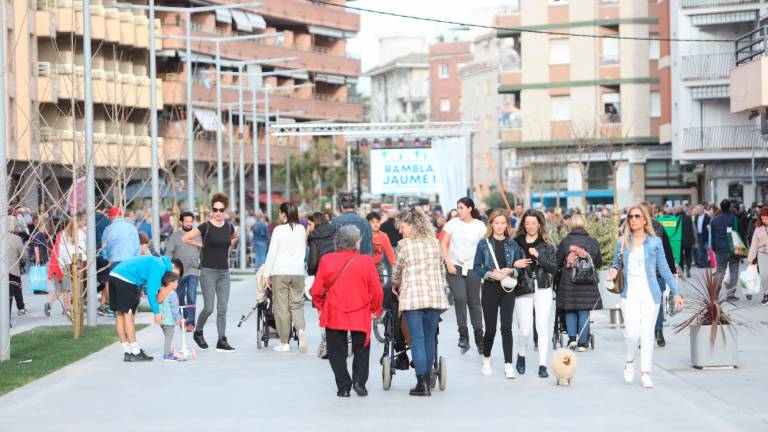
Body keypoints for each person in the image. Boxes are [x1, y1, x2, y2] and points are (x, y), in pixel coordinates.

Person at [608, 205, 684, 388]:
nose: (633, 219)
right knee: (632, 334)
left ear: (644, 220)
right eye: (630, 217)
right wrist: (612, 270)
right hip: (629, 293)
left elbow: (665, 269)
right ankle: (629, 361)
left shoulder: (655, 242)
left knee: (647, 333)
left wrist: (676, 292)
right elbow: (615, 263)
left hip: (650, 293)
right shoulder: (623, 242)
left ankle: (645, 372)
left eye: (637, 216)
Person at [311, 225, 383, 397]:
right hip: (359, 311)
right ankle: (359, 382)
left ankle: (343, 386)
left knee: (336, 351)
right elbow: (377, 291)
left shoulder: (327, 260)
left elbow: (316, 290)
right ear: (355, 242)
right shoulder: (366, 261)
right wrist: (375, 309)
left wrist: (321, 306)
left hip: (334, 311)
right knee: (361, 348)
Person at [392, 207, 450, 397]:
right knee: (429, 338)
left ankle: (422, 383)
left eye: (403, 226)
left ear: (412, 225)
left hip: (413, 297)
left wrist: (395, 283)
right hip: (434, 297)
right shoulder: (435, 243)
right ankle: (429, 378)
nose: (401, 230)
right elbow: (442, 270)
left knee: (416, 339)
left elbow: (397, 270)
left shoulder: (404, 245)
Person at [472, 210, 524, 379]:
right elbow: (477, 267)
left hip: (508, 289)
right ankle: (486, 360)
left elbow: (520, 269)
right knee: (491, 329)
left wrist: (512, 271)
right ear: (491, 224)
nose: (500, 226)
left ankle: (508, 365)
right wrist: (490, 274)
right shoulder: (483, 244)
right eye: (497, 222)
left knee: (506, 327)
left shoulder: (513, 245)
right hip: (490, 288)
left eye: (503, 223)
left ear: (507, 225)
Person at [183, 193, 238, 353]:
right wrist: (201, 245)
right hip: (208, 272)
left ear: (225, 210)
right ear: (212, 210)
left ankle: (222, 339)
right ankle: (198, 332)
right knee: (208, 308)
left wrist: (228, 243)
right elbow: (185, 238)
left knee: (222, 309)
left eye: (221, 209)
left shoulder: (228, 227)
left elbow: (235, 237)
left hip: (224, 273)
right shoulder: (205, 227)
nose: (218, 212)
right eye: (216, 209)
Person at [109, 255, 182, 361]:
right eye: (175, 276)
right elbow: (151, 292)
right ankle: (135, 352)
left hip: (114, 274)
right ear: (173, 267)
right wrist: (157, 312)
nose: (173, 279)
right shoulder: (160, 267)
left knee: (120, 315)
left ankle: (127, 351)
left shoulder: (156, 261)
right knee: (129, 316)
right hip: (126, 279)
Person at [513, 209, 558, 378]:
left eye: (534, 223)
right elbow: (508, 263)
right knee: (524, 330)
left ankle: (542, 365)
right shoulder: (515, 243)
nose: (531, 227)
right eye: (527, 223)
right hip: (523, 287)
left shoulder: (546, 244)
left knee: (541, 326)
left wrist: (538, 256)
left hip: (543, 287)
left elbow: (553, 267)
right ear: (523, 225)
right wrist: (516, 263)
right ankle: (521, 353)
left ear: (539, 224)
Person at [440, 197, 486, 354]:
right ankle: (463, 335)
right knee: (460, 297)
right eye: (457, 207)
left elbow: (485, 246)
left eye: (461, 207)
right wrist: (448, 262)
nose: (458, 210)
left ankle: (479, 336)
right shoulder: (452, 223)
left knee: (474, 301)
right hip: (455, 266)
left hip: (473, 267)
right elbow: (443, 243)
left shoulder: (480, 226)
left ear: (470, 208)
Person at [263, 202, 308, 353]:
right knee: (297, 304)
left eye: (280, 213)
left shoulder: (278, 230)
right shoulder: (302, 229)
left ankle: (284, 342)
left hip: (280, 272)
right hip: (298, 272)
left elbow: (272, 253)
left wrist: (266, 274)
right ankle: (301, 331)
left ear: (284, 214)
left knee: (281, 307)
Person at [555, 213, 602, 351]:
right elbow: (598, 262)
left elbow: (557, 262)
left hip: (569, 282)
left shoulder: (565, 241)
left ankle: (572, 339)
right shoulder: (592, 242)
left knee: (570, 309)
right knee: (584, 310)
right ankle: (582, 342)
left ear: (570, 225)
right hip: (587, 282)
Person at [101, 208, 140, 316]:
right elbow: (136, 246)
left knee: (115, 286)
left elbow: (104, 247)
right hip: (129, 261)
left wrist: (107, 257)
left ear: (112, 217)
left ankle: (116, 310)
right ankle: (129, 308)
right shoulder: (131, 227)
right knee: (129, 284)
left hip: (114, 261)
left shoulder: (108, 229)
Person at [166, 211, 200, 332]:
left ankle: (191, 322)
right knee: (179, 296)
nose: (189, 224)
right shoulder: (175, 236)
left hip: (193, 271)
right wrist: (168, 267)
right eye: (186, 222)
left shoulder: (197, 235)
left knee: (191, 296)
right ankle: (184, 319)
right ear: (181, 222)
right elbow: (168, 253)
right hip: (178, 273)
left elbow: (203, 251)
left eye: (191, 222)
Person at [710, 199, 740, 300]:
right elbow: (737, 233)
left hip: (720, 249)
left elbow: (713, 237)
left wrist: (714, 249)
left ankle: (715, 294)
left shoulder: (714, 220)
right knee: (734, 270)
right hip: (733, 249)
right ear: (729, 207)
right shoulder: (733, 218)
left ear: (721, 207)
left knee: (720, 271)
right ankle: (731, 294)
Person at [45, 220, 70, 317]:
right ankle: (66, 309)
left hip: (55, 267)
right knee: (66, 290)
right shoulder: (65, 238)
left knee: (59, 290)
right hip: (63, 266)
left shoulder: (55, 240)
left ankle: (49, 304)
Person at [158, 271, 182, 361]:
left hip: (162, 320)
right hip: (169, 321)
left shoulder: (162, 290)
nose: (177, 284)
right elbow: (174, 307)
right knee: (169, 338)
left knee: (167, 337)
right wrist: (178, 318)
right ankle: (166, 355)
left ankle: (168, 351)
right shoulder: (172, 293)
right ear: (171, 283)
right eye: (176, 282)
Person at [367, 211, 395, 288]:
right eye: (372, 222)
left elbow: (390, 254)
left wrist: (396, 270)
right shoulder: (364, 235)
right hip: (366, 265)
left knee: (380, 286)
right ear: (367, 223)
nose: (375, 224)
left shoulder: (383, 236)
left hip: (377, 264)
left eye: (377, 222)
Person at [747, 207, 768, 305]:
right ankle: (766, 293)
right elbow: (754, 244)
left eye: (767, 218)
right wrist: (751, 259)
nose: (765, 220)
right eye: (763, 218)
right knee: (763, 275)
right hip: (762, 254)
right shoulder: (758, 229)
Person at [307, 212, 337, 276]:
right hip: (336, 270)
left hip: (321, 273)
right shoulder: (334, 231)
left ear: (316, 222)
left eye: (310, 224)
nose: (308, 228)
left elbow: (313, 263)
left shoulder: (314, 238)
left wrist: (310, 272)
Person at [7, 226, 28, 318]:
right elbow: (24, 256)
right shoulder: (16, 239)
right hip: (12, 270)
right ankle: (20, 309)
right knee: (11, 295)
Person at [679, 205, 697, 278]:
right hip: (689, 240)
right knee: (688, 255)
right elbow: (694, 229)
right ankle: (688, 268)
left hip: (679, 240)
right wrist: (695, 240)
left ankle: (682, 270)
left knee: (680, 256)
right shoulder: (689, 218)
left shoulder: (677, 219)